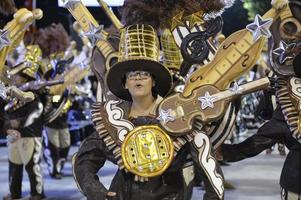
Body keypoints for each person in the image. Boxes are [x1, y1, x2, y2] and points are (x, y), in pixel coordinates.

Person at [73, 24, 224, 200]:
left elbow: (211, 176)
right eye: (131, 75)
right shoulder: (113, 119)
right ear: (124, 84)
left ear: (153, 81)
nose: (137, 77)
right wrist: (98, 191)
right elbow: (84, 161)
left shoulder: (181, 115)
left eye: (144, 74)